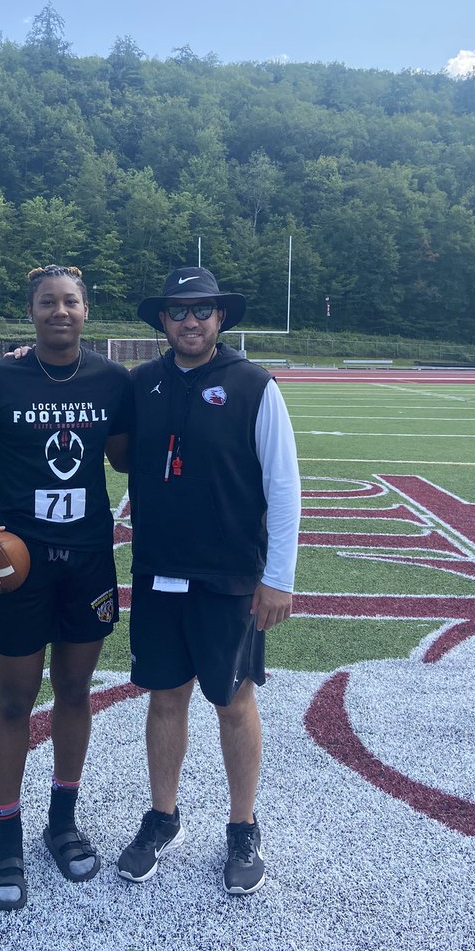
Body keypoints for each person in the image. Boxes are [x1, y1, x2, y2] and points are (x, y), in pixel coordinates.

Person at [0, 265, 131, 911]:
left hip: (88, 561)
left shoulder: (112, 380)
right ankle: (6, 838)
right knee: (15, 699)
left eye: (70, 301)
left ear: (86, 311)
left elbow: (128, 456)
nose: (59, 311)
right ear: (30, 311)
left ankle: (63, 821)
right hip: (17, 565)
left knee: (76, 691)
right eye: (47, 302)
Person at [116, 266, 301, 896]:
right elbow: (80, 399)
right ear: (162, 321)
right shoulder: (139, 383)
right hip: (157, 570)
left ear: (221, 318)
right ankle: (162, 817)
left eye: (203, 310)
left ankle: (242, 826)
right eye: (178, 311)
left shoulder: (253, 385)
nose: (190, 321)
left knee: (233, 702)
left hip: (229, 578)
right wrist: (29, 357)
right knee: (165, 697)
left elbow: (283, 486)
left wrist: (278, 579)